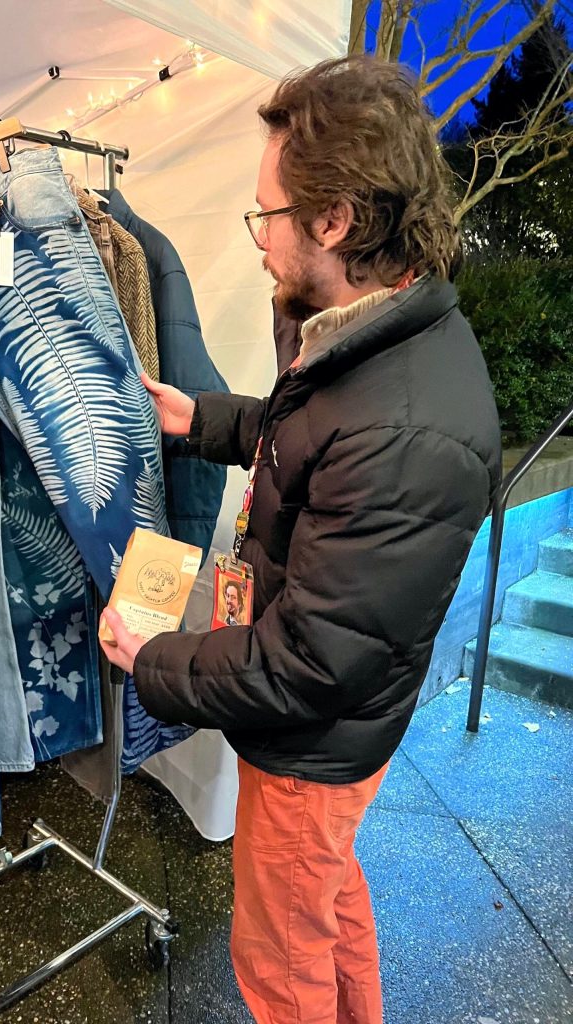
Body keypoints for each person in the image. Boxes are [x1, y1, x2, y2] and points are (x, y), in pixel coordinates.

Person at [101, 55, 501, 1024]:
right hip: (335, 720)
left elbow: (308, 663)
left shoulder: (407, 424)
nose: (257, 242)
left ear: (336, 220)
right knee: (325, 897)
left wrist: (156, 658)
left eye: (266, 214)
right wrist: (207, 419)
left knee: (279, 961)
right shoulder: (356, 327)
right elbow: (304, 433)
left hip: (316, 737)